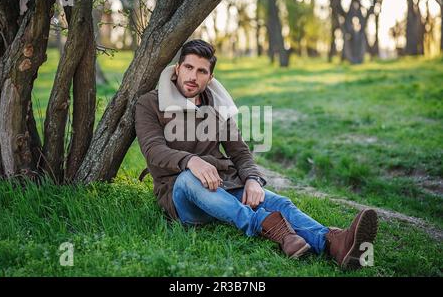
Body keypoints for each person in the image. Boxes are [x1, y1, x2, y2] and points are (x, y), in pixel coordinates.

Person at [135, 39, 378, 269]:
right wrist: (191, 161)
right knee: (189, 178)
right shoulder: (150, 104)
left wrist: (252, 179)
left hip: (225, 184)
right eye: (188, 67)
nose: (193, 76)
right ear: (177, 69)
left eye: (201, 71)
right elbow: (153, 150)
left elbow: (239, 151)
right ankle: (264, 224)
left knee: (279, 202)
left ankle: (334, 243)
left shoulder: (218, 106)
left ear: (210, 77)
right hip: (182, 195)